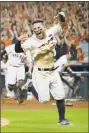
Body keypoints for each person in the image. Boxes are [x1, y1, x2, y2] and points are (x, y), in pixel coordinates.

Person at [17, 12, 72, 125]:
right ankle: (30, 86)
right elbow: (19, 49)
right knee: (44, 100)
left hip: (53, 70)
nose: (37, 30)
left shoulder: (50, 32)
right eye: (34, 28)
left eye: (39, 27)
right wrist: (19, 41)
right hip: (40, 73)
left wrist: (62, 17)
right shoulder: (31, 41)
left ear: (44, 27)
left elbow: (61, 24)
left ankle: (62, 119)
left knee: (60, 96)